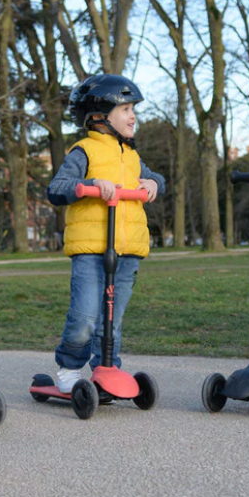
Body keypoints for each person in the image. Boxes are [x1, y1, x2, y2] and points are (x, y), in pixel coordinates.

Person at [46, 74, 165, 393]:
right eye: (126, 109)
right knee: (85, 316)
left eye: (133, 109)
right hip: (91, 250)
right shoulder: (83, 151)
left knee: (112, 319)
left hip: (128, 252)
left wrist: (153, 183)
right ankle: (69, 369)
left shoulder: (132, 155)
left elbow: (155, 179)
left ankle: (106, 368)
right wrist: (90, 186)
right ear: (99, 115)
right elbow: (56, 189)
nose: (133, 116)